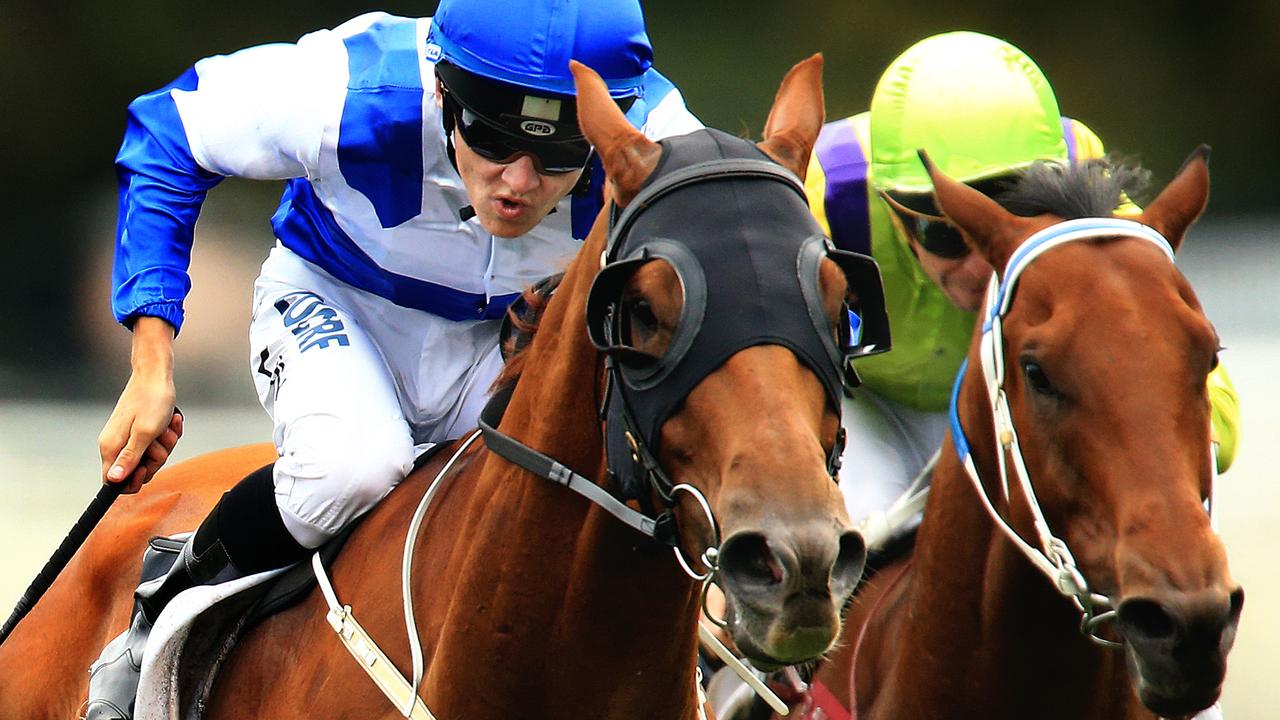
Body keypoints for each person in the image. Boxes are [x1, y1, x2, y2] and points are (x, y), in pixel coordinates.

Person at [86, 2, 702, 718]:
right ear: (443, 90)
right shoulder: (352, 90)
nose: (518, 183)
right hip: (340, 304)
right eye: (494, 137)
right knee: (352, 468)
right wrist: (151, 366)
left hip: (497, 343)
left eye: (562, 154)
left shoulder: (654, 135)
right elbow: (169, 129)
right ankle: (165, 599)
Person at [806, 30, 1239, 541]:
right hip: (861, 406)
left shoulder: (1076, 183)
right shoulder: (822, 201)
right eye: (946, 230)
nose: (978, 265)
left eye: (1015, 222)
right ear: (890, 208)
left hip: (1001, 394)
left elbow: (1210, 412)